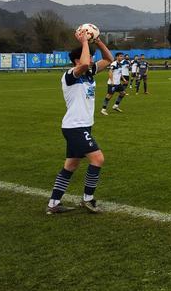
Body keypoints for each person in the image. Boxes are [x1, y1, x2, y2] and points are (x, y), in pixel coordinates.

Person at [46, 30, 114, 214]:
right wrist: (85, 41)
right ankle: (88, 199)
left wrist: (98, 41)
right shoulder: (70, 75)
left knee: (71, 165)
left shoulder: (89, 73)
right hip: (74, 127)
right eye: (89, 56)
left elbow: (109, 59)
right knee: (98, 159)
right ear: (77, 60)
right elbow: (84, 63)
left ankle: (53, 204)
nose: (92, 60)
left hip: (82, 126)